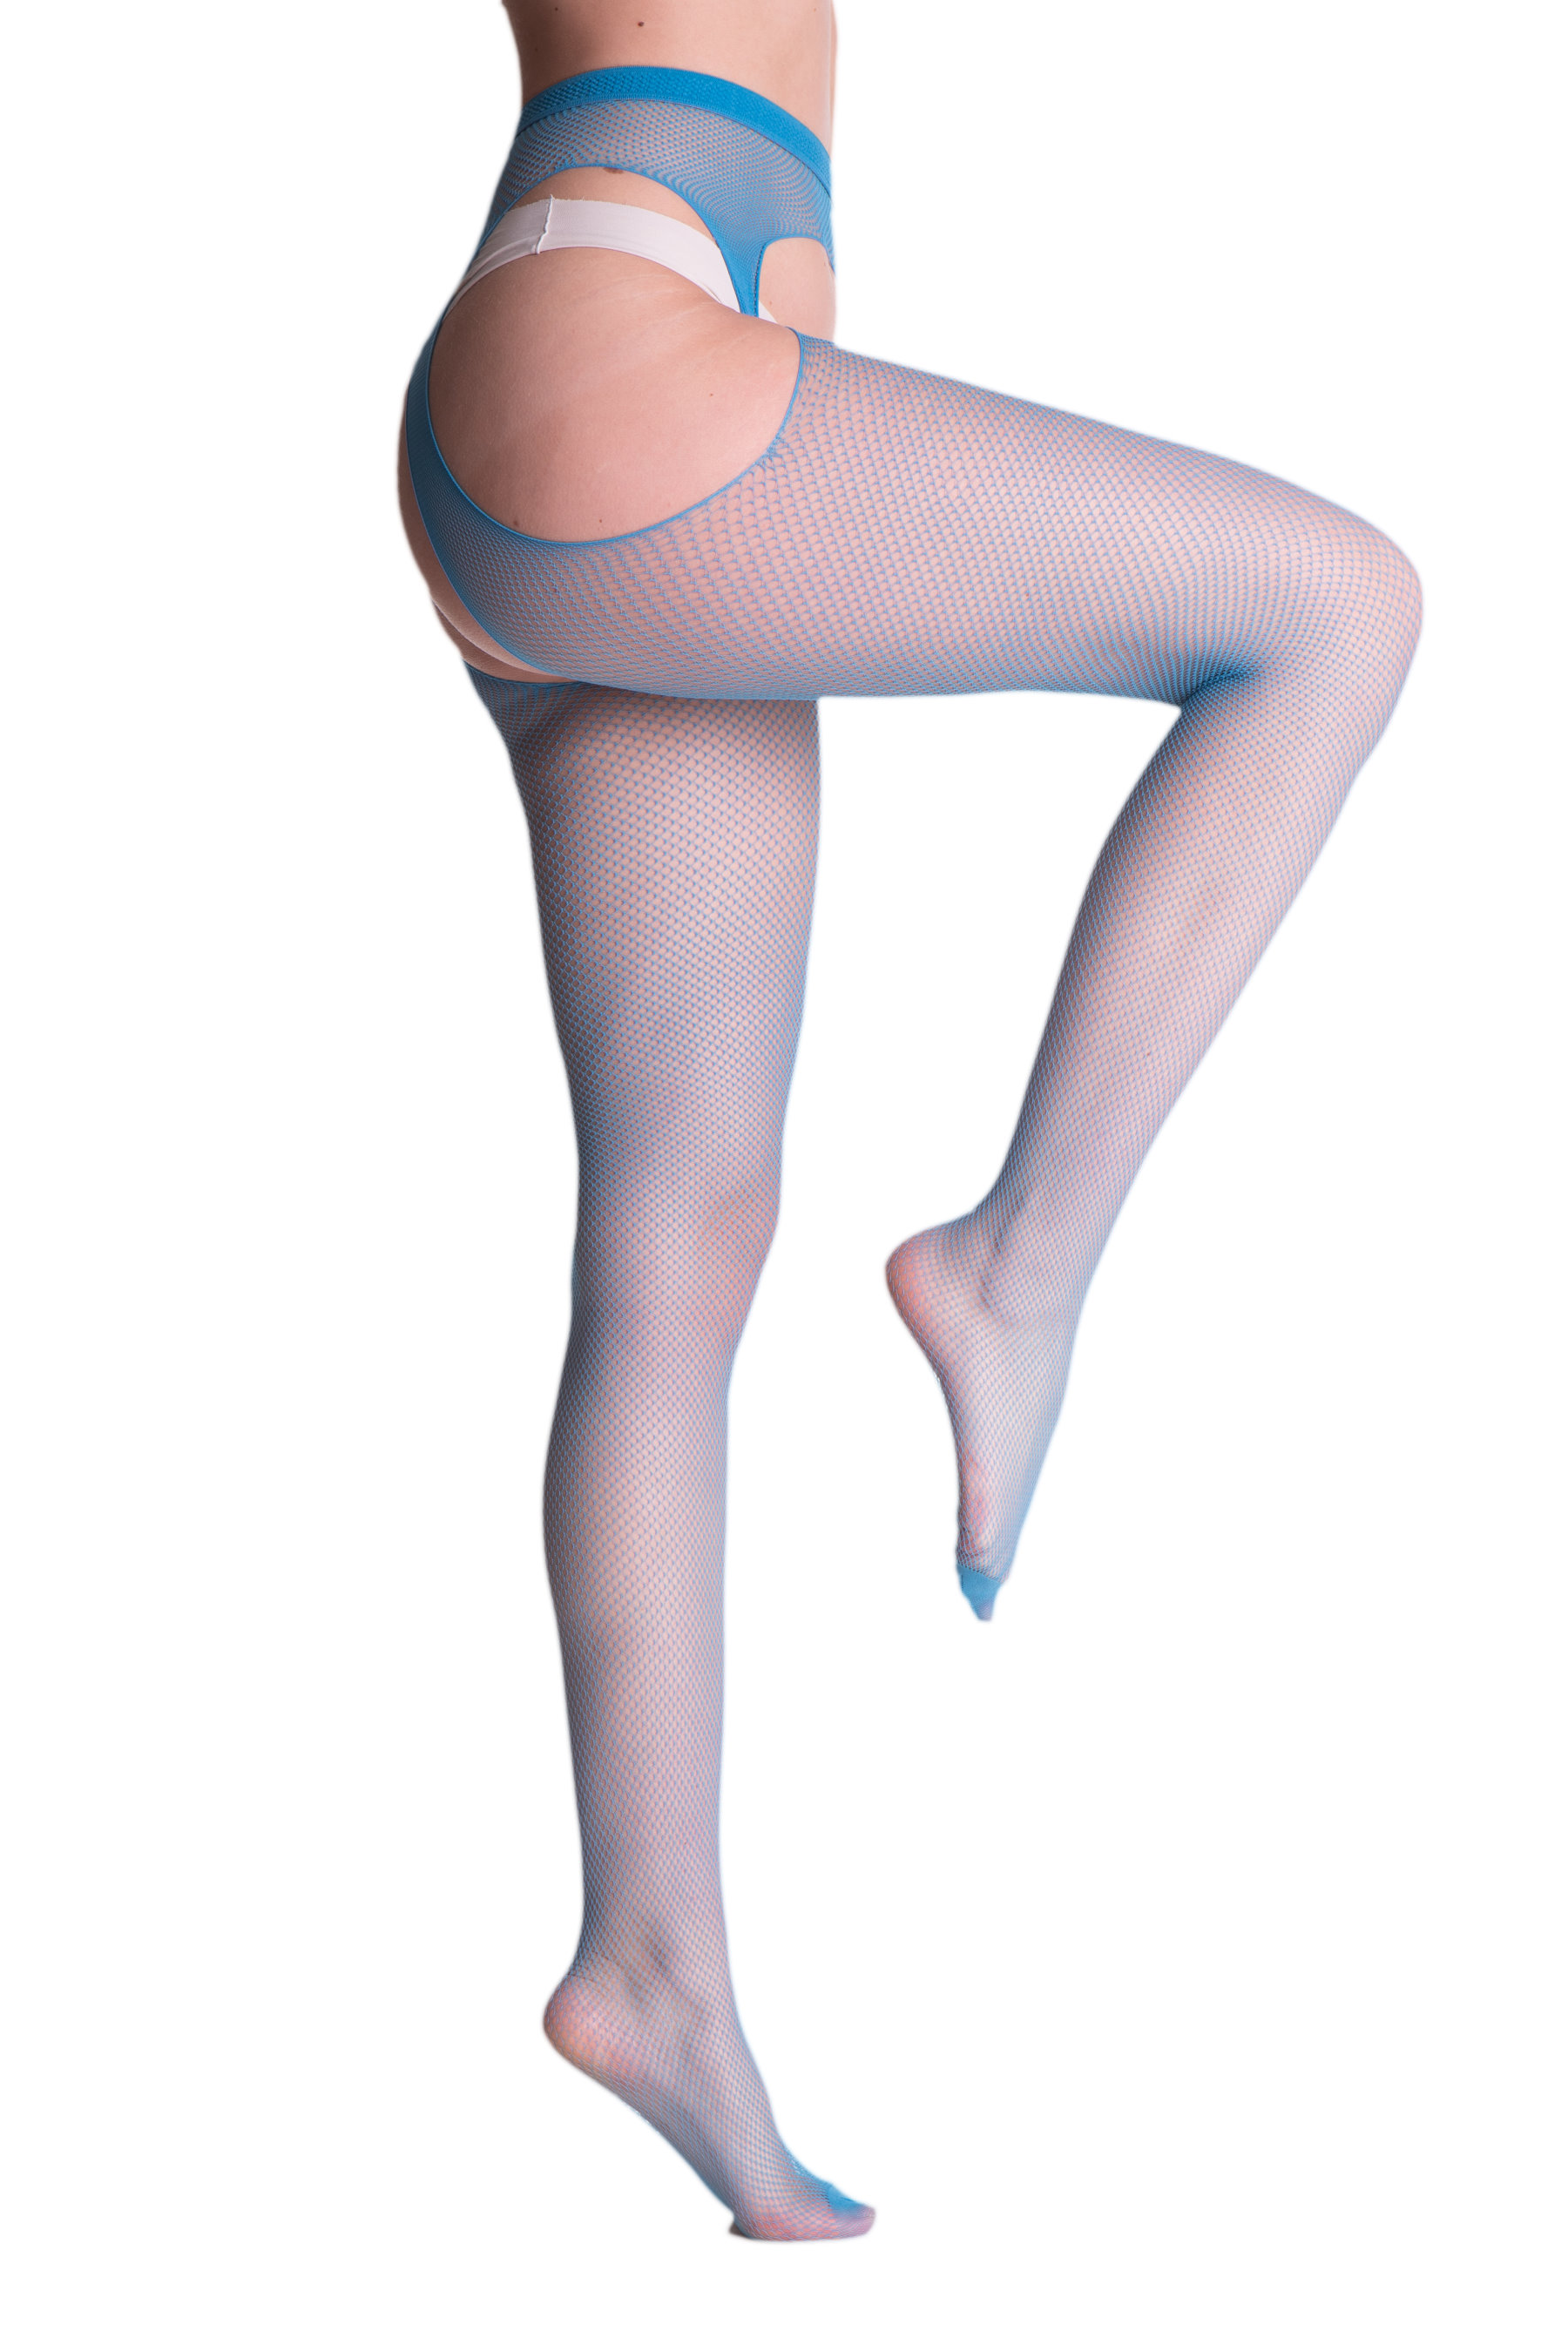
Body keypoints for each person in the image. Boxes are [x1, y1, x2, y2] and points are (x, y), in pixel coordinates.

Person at [399, 0, 1420, 2241]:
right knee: (1329, 607)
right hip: (629, 355)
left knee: (680, 1239)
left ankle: (654, 1968)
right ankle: (1015, 1266)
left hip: (641, 377)